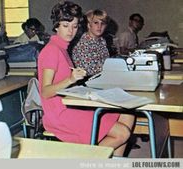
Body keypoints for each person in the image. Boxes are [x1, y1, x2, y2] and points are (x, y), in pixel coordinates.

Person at [38, 1, 135, 157]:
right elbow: (45, 92)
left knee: (128, 114)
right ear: (56, 26)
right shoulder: (51, 51)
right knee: (122, 133)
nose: (70, 31)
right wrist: (70, 79)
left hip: (68, 104)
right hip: (60, 113)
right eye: (65, 25)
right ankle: (86, 160)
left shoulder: (63, 48)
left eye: (75, 26)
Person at [71, 9, 110, 77]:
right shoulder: (82, 43)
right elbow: (87, 71)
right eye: (96, 23)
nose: (99, 26)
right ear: (89, 25)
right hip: (87, 81)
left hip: (103, 78)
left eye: (102, 23)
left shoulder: (102, 40)